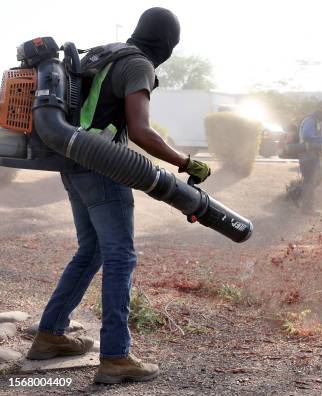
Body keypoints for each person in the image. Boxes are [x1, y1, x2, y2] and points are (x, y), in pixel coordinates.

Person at [25, 8, 210, 384]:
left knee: (91, 250)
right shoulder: (139, 64)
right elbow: (141, 131)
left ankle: (51, 334)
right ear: (167, 43)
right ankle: (115, 357)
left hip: (73, 160)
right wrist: (185, 161)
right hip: (104, 166)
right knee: (120, 255)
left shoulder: (104, 52)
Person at [296, 101, 322, 215]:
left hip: (314, 156)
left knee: (316, 179)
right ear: (318, 110)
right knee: (311, 181)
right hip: (308, 156)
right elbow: (307, 136)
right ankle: (307, 209)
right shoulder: (310, 121)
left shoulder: (318, 121)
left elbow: (317, 136)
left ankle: (298, 196)